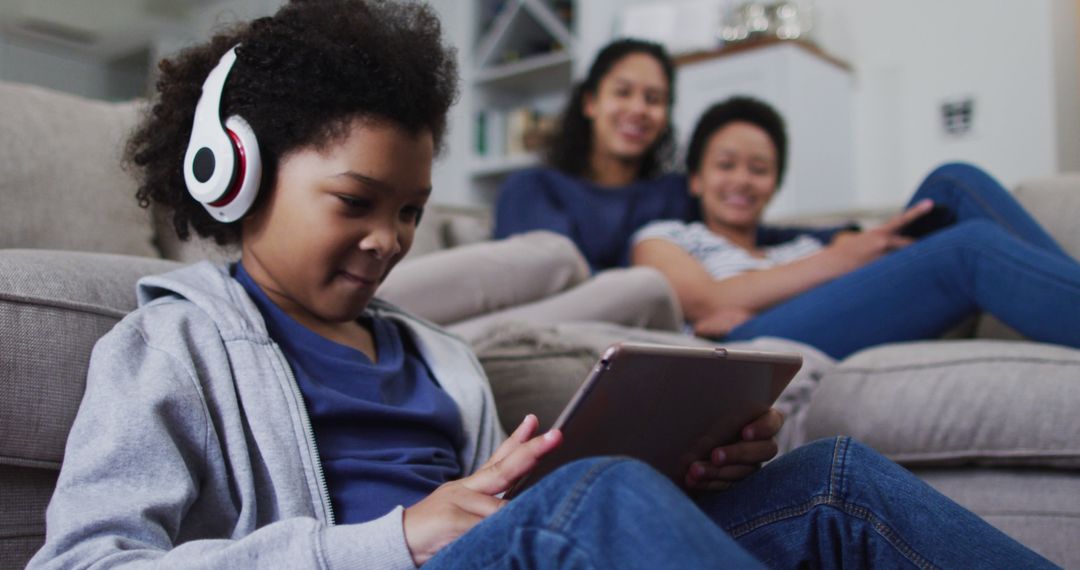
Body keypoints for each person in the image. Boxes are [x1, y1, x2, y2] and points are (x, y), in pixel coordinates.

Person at [29, 4, 1053, 568]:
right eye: (356, 201)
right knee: (591, 501)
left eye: (411, 211)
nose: (389, 240)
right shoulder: (173, 346)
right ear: (235, 174)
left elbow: (514, 522)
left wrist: (689, 487)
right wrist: (393, 541)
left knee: (831, 478)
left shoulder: (438, 358)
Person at [632, 96, 1080, 360]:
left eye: (760, 169)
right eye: (725, 165)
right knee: (970, 248)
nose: (742, 181)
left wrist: (833, 259)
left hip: (828, 316)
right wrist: (838, 260)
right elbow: (707, 301)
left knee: (953, 181)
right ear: (696, 178)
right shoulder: (667, 235)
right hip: (747, 345)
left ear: (774, 184)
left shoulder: (801, 247)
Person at [493, 38, 696, 272]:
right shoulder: (533, 188)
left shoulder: (679, 195)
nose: (638, 109)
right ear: (590, 102)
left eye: (653, 99)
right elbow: (545, 276)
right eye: (623, 92)